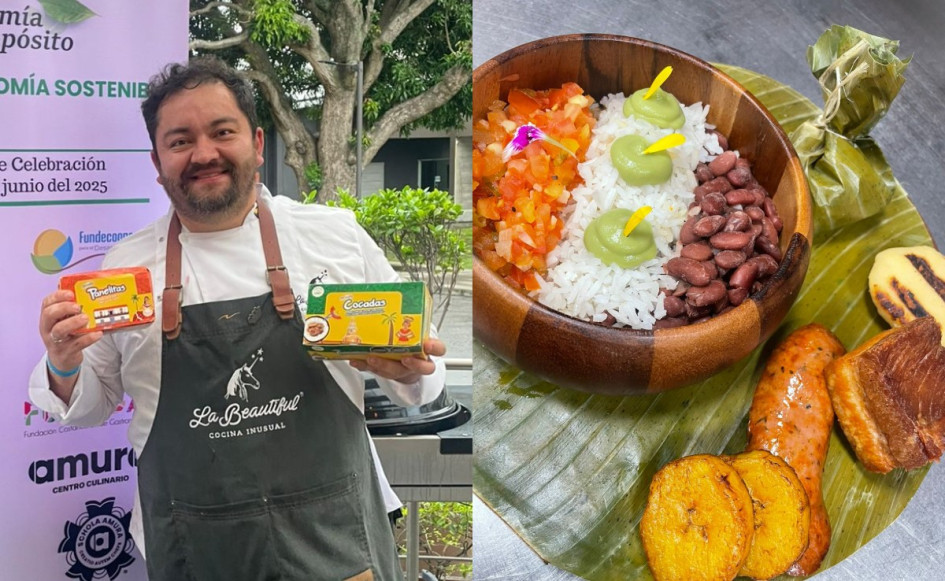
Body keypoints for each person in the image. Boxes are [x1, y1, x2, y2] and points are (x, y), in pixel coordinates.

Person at [29, 56, 447, 581]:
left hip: (337, 545)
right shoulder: (124, 272)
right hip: (195, 548)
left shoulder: (335, 237)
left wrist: (409, 371)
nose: (203, 153)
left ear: (257, 143)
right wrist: (63, 364)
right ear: (157, 163)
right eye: (180, 141)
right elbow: (92, 407)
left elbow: (423, 386)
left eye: (221, 132)